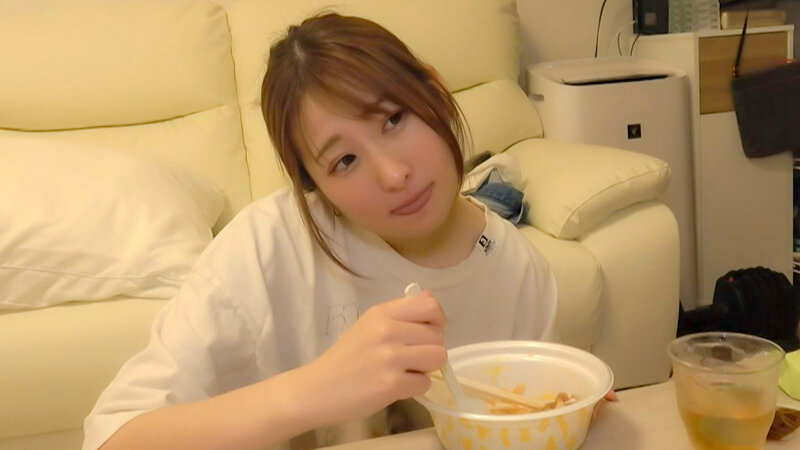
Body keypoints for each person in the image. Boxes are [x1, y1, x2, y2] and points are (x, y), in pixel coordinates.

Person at [83, 12, 559, 450]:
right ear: (314, 186)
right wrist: (317, 388)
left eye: (394, 119)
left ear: (434, 91)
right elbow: (112, 439)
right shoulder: (267, 248)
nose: (394, 175)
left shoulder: (518, 271)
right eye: (344, 161)